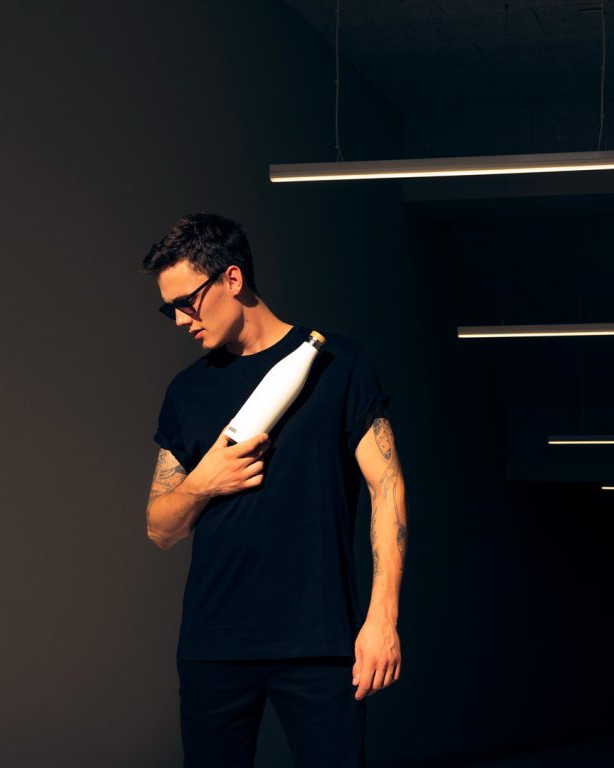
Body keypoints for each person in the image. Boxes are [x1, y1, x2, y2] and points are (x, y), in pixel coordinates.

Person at [142, 213, 408, 768]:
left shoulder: (339, 365)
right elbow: (159, 528)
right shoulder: (187, 391)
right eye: (170, 309)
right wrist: (203, 482)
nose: (180, 320)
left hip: (319, 641)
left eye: (186, 302)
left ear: (232, 278)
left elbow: (387, 486)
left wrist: (382, 617)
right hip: (214, 644)